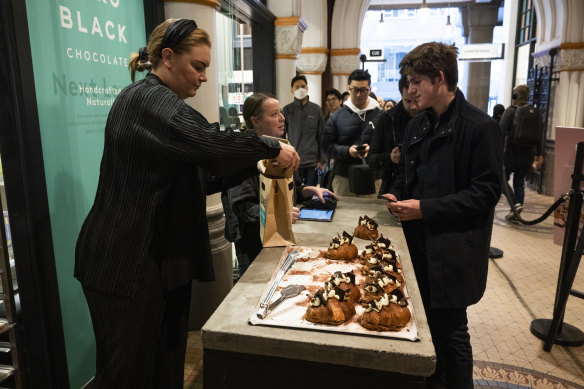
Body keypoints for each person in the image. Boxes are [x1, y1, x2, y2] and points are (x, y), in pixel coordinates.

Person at [74, 19, 300, 388]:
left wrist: (257, 161)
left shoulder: (162, 104)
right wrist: (270, 146)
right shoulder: (148, 99)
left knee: (164, 366)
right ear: (167, 57)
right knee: (128, 375)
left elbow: (200, 174)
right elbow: (210, 143)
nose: (204, 77)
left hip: (153, 260)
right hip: (124, 261)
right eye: (198, 66)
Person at [383, 42, 502, 388]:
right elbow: (409, 177)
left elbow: (485, 193)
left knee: (452, 334)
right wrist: (398, 196)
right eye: (407, 82)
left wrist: (425, 209)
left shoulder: (480, 128)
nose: (410, 89)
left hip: (454, 249)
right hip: (418, 245)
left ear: (439, 78)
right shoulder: (417, 125)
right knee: (423, 327)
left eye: (416, 81)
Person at [223, 93, 338, 276]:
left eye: (280, 113)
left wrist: (308, 191)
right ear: (256, 121)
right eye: (274, 114)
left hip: (281, 238)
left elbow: (288, 190)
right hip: (253, 243)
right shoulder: (241, 155)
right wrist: (278, 214)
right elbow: (244, 210)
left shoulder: (281, 147)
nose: (282, 118)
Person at [321, 69, 383, 196]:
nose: (359, 95)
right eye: (355, 90)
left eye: (363, 90)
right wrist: (348, 151)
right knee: (343, 215)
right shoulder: (337, 116)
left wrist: (371, 150)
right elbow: (326, 147)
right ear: (349, 89)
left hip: (373, 177)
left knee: (371, 214)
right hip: (344, 177)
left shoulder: (381, 115)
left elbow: (388, 145)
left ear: (369, 90)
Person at [366, 77, 420, 197]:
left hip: (422, 189)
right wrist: (390, 157)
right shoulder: (387, 119)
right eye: (408, 101)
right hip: (392, 186)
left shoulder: (430, 117)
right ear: (401, 97)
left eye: (417, 100)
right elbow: (371, 159)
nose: (413, 107)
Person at [499, 85, 542, 223]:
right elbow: (539, 136)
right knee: (519, 181)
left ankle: (514, 204)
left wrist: (496, 150)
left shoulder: (511, 111)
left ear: (515, 96)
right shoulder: (534, 113)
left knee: (501, 179)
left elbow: (500, 131)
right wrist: (539, 154)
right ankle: (516, 212)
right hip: (528, 154)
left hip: (512, 152)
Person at [282, 75, 326, 187]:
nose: (300, 89)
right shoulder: (287, 110)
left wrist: (322, 159)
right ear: (292, 90)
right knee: (294, 193)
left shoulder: (316, 109)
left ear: (307, 88)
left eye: (303, 86)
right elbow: (282, 136)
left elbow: (321, 136)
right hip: (293, 161)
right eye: (297, 87)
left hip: (312, 161)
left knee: (311, 192)